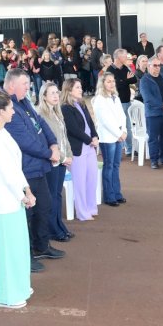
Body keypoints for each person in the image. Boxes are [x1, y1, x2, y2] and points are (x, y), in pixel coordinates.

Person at [1, 68, 65, 270]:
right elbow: (24, 141)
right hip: (25, 170)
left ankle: (41, 245)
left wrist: (53, 144)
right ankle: (25, 255)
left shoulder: (25, 102)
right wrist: (49, 153)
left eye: (28, 83)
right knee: (26, 215)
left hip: (38, 168)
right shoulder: (6, 106)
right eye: (24, 84)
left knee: (44, 207)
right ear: (11, 85)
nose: (28, 87)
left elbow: (41, 124)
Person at [0, 88, 35, 309]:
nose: (14, 111)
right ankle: (7, 295)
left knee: (18, 246)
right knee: (6, 250)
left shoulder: (3, 133)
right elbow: (6, 171)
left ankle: (20, 286)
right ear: (1, 111)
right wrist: (22, 195)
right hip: (3, 200)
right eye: (11, 108)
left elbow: (15, 167)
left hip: (13, 198)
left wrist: (26, 188)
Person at [37, 82, 74, 242]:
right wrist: (62, 158)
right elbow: (46, 142)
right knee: (51, 196)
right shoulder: (41, 114)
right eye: (51, 93)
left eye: (57, 93)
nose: (55, 96)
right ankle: (53, 229)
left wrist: (69, 155)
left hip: (61, 160)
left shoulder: (57, 113)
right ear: (43, 96)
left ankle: (59, 225)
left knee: (57, 195)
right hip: (51, 162)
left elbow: (64, 138)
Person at [60, 79, 100, 220]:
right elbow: (73, 129)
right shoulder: (65, 108)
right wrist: (90, 140)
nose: (81, 89)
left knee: (92, 178)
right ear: (69, 90)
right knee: (80, 181)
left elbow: (90, 123)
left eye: (81, 86)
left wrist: (95, 136)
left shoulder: (82, 104)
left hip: (89, 146)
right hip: (78, 148)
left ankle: (91, 207)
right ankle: (82, 212)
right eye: (77, 87)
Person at [92, 72, 128, 205]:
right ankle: (109, 196)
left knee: (116, 165)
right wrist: (118, 134)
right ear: (102, 83)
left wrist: (124, 130)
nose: (112, 83)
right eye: (108, 81)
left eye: (113, 81)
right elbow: (105, 121)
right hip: (108, 137)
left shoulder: (115, 97)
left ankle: (117, 193)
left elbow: (122, 116)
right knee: (109, 166)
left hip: (119, 135)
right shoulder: (99, 100)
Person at [139, 56, 163, 169]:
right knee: (153, 137)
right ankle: (154, 160)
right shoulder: (144, 80)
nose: (157, 68)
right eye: (154, 65)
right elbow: (148, 98)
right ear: (148, 66)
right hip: (153, 113)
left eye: (159, 65)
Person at [109, 48, 137, 156]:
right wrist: (125, 80)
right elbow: (114, 85)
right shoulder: (110, 70)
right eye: (125, 56)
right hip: (116, 102)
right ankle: (118, 151)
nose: (127, 58)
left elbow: (134, 79)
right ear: (119, 57)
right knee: (117, 127)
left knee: (128, 127)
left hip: (126, 101)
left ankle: (129, 149)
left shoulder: (125, 68)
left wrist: (123, 81)